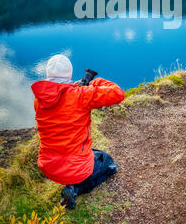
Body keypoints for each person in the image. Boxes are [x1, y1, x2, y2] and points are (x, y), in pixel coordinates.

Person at [31, 54, 125, 209]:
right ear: (69, 74)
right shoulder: (81, 95)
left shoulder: (39, 100)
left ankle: (72, 186)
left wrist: (74, 88)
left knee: (92, 153)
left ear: (48, 74)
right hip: (74, 169)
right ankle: (74, 189)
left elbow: (62, 98)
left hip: (47, 165)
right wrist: (95, 82)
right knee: (107, 162)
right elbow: (117, 93)